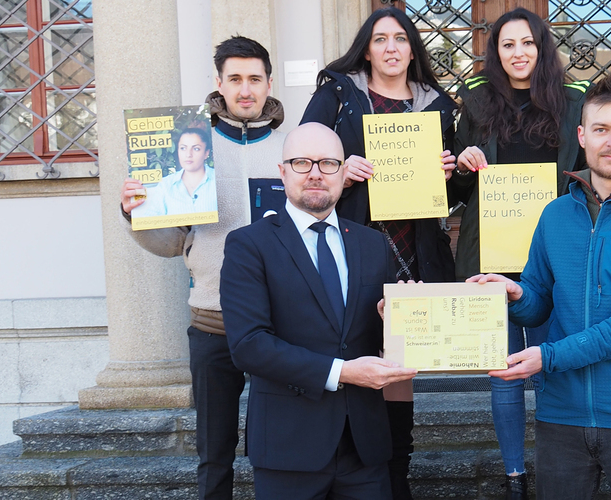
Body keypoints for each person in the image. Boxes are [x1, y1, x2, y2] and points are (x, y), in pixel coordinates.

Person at [469, 72, 611, 500]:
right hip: (560, 418)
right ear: (582, 136)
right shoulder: (554, 214)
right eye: (602, 129)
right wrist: (516, 296)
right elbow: (539, 305)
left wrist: (546, 357)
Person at [299, 7, 457, 498]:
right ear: (366, 48)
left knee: (397, 370)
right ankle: (350, 471)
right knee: (353, 357)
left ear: (413, 49)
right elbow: (304, 162)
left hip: (415, 254)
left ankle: (395, 478)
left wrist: (451, 174)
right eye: (380, 39)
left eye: (401, 39)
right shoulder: (338, 94)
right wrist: (342, 171)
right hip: (352, 250)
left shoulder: (440, 105)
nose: (391, 47)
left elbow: (455, 201)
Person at [119, 36, 286, 500]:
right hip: (214, 323)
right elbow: (171, 242)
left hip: (283, 325)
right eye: (235, 79)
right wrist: (138, 212)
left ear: (269, 82)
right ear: (219, 83)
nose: (246, 89)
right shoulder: (191, 145)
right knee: (214, 452)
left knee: (283, 445)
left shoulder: (292, 148)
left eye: (255, 78)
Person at [220, 122, 418, 499]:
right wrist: (343, 372)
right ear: (282, 172)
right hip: (288, 447)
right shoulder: (249, 245)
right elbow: (249, 344)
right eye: (301, 163)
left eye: (328, 163)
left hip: (364, 448)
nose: (315, 173)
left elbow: (378, 340)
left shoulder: (372, 244)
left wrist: (400, 319)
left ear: (345, 173)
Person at [450, 9, 589, 497]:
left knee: (552, 361)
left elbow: (592, 170)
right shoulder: (474, 100)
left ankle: (558, 466)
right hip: (492, 250)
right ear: (495, 52)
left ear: (543, 46)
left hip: (557, 250)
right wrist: (462, 163)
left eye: (527, 43)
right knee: (505, 369)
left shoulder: (575, 100)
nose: (518, 53)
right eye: (508, 45)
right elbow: (453, 184)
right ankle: (514, 475)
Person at [137, 126, 217, 217]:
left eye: (196, 149)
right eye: (183, 148)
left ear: (206, 153)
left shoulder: (219, 180)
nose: (188, 154)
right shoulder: (166, 185)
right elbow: (150, 221)